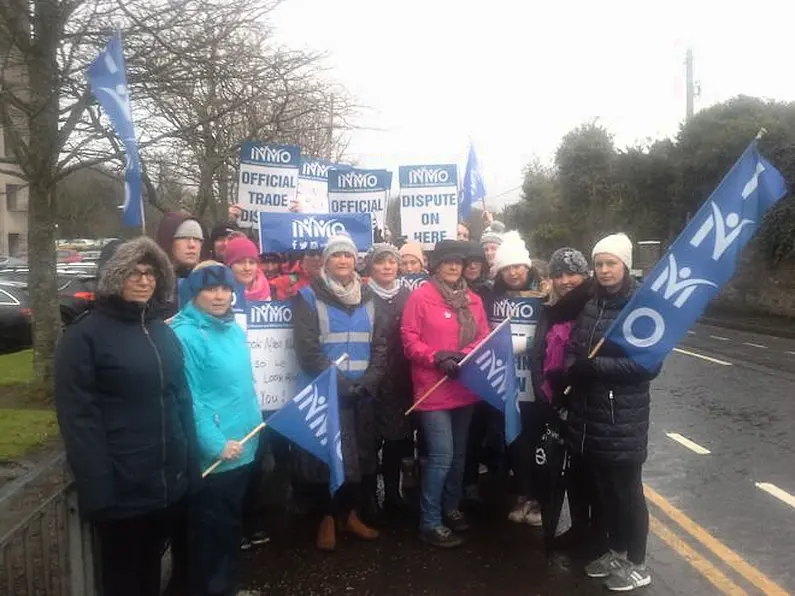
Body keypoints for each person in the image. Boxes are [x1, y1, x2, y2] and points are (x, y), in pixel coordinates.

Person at [54, 237, 198, 596]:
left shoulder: (161, 331)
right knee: (125, 583)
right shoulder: (83, 338)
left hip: (166, 485)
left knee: (151, 576)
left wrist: (189, 465)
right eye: (132, 272)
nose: (143, 280)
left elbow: (180, 399)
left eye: (150, 272)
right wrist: (99, 492)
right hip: (122, 493)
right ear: (111, 276)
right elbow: (79, 419)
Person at [565, 233, 658, 592]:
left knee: (627, 492)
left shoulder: (640, 306)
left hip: (623, 418)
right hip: (590, 416)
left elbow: (647, 366)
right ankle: (617, 551)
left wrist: (596, 368)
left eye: (611, 263)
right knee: (606, 490)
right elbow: (576, 345)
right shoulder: (592, 304)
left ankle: (638, 562)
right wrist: (574, 366)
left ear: (625, 265)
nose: (604, 270)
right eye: (599, 263)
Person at [170, 261, 262, 596]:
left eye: (225, 288)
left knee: (228, 529)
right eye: (210, 288)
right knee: (208, 536)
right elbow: (189, 396)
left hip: (242, 446)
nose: (220, 295)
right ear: (194, 293)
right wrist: (214, 442)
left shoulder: (233, 329)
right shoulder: (184, 335)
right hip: (216, 455)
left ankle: (227, 588)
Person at [292, 233, 388, 551]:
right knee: (326, 461)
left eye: (348, 255)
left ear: (355, 260)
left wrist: (369, 382)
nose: (343, 260)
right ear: (326, 261)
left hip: (362, 394)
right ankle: (327, 519)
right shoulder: (307, 297)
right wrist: (342, 384)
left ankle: (350, 515)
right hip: (327, 393)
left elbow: (381, 346)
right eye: (336, 256)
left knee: (359, 458)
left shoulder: (370, 298)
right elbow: (308, 351)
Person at [401, 239, 490, 548]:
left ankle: (450, 508)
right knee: (442, 456)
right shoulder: (420, 297)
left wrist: (463, 356)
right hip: (432, 389)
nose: (454, 266)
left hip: (464, 386)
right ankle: (429, 520)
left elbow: (483, 337)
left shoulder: (474, 300)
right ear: (436, 266)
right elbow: (409, 340)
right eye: (447, 261)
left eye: (458, 261)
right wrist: (437, 357)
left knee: (460, 455)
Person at [528, 247, 599, 552]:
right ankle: (578, 529)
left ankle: (598, 537)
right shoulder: (549, 309)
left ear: (585, 275)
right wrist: (545, 389)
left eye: (573, 273)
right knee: (567, 472)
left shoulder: (594, 306)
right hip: (554, 400)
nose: (566, 280)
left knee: (590, 473)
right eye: (559, 274)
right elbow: (539, 353)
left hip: (585, 402)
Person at [486, 231, 547, 526]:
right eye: (507, 267)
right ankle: (523, 494)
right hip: (505, 383)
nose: (513, 272)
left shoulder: (545, 297)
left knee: (535, 442)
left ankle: (538, 499)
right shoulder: (491, 296)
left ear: (528, 268)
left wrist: (521, 345)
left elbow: (553, 337)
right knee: (514, 442)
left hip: (534, 383)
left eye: (518, 266)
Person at [365, 243, 414, 517]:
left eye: (391, 262)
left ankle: (393, 492)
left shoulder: (408, 295)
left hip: (400, 379)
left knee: (396, 441)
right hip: (371, 377)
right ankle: (370, 495)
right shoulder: (362, 295)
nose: (387, 267)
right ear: (370, 266)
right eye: (380, 261)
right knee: (370, 443)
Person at [156, 211, 208, 316]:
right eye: (184, 238)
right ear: (168, 241)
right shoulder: (149, 282)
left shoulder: (210, 281)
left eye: (197, 239)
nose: (192, 245)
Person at [225, 235, 271, 301]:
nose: (247, 268)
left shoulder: (267, 289)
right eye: (240, 262)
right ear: (229, 266)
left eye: (252, 262)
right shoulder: (219, 294)